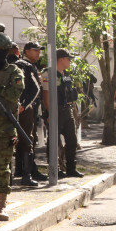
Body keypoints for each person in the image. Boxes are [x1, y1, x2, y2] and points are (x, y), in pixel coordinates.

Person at [41, 49, 83, 178]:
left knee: (72, 140)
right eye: (68, 59)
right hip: (55, 110)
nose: (70, 61)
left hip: (67, 111)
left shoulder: (66, 74)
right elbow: (46, 96)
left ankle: (71, 168)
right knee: (53, 141)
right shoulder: (48, 74)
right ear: (60, 59)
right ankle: (54, 169)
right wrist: (50, 113)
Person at [0, 30, 24, 220]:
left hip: (5, 128)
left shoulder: (14, 72)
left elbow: (15, 94)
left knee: (2, 169)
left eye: (0, 51)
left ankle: (1, 206)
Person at [13, 42, 43, 186]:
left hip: (15, 108)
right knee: (26, 140)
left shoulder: (15, 65)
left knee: (16, 139)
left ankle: (19, 172)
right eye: (35, 50)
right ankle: (26, 175)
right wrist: (24, 106)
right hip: (23, 109)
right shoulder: (26, 66)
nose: (38, 53)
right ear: (26, 51)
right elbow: (36, 89)